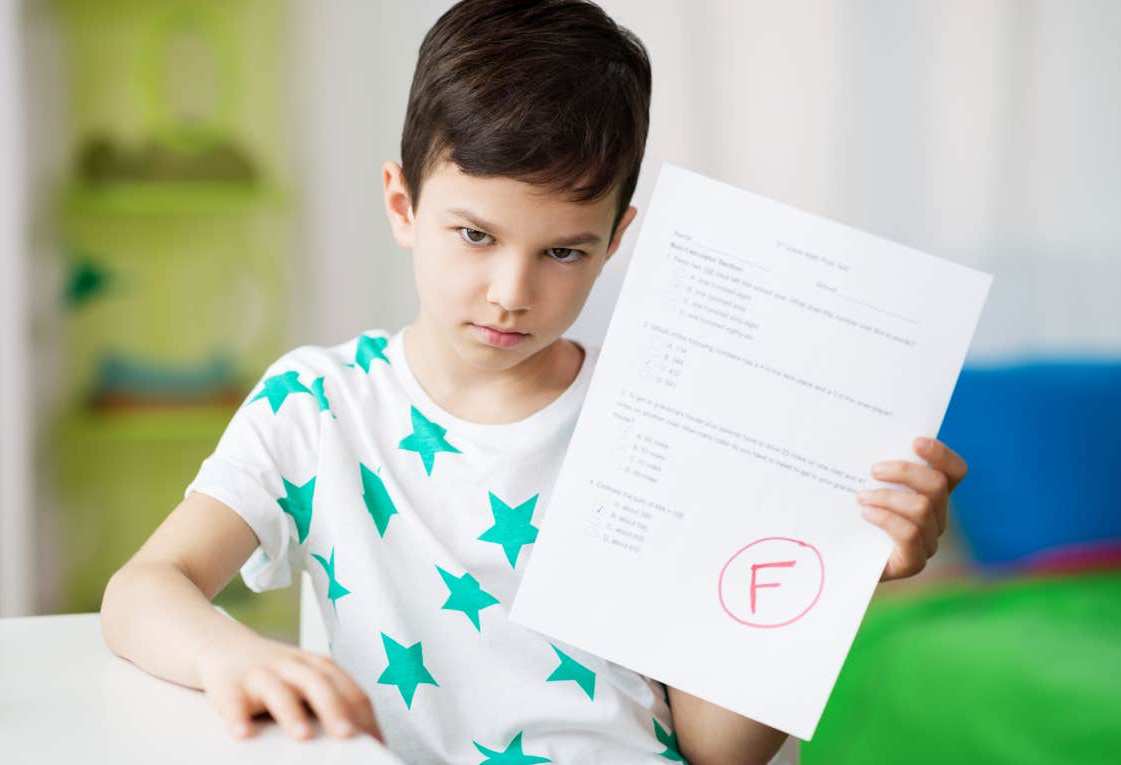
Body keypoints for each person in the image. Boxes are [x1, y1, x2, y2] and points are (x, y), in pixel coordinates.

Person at [99, 1, 969, 762]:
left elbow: (715, 748)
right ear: (402, 205)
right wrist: (233, 656)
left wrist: (838, 576)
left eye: (562, 251)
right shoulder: (317, 406)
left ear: (617, 239)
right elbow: (143, 589)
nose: (512, 294)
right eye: (475, 235)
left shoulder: (669, 419)